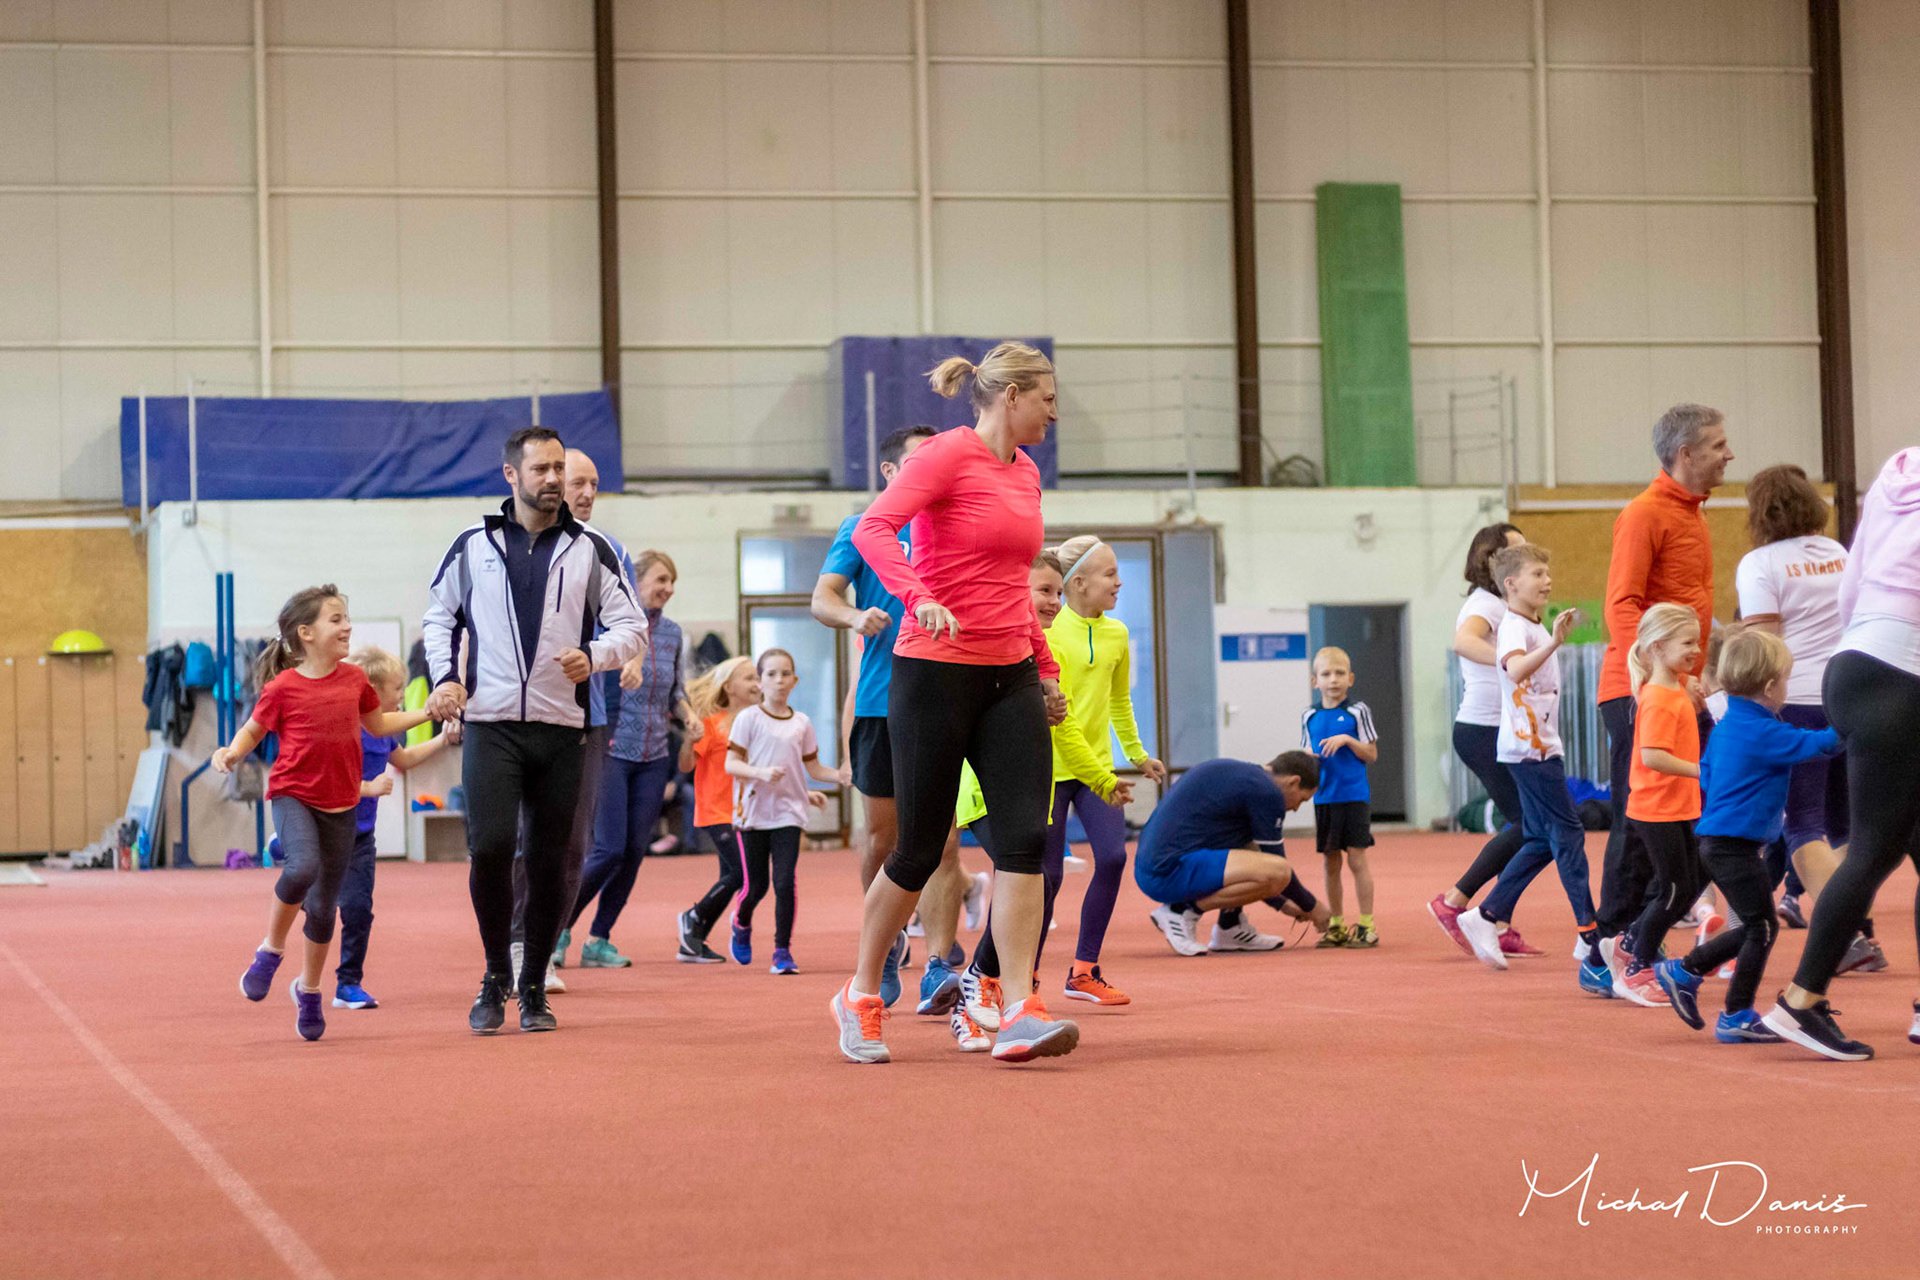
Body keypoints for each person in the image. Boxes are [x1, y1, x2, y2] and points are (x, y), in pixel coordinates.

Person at [831, 342, 1072, 1066]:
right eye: (1048, 398)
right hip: (933, 673)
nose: (1054, 412)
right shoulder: (943, 455)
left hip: (1010, 676)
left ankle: (1019, 1007)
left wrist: (1045, 667)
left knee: (1025, 843)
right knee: (916, 849)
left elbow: (1012, 582)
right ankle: (861, 993)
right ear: (1012, 396)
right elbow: (873, 529)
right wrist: (917, 596)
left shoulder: (1026, 472)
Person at [423, 427, 647, 1035]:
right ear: (511, 475)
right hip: (491, 724)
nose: (552, 479)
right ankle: (495, 973)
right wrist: (446, 678)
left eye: (558, 468)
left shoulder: (592, 548)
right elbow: (438, 615)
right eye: (541, 469)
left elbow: (632, 626)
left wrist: (595, 655)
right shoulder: (472, 544)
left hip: (561, 727)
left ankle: (533, 986)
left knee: (551, 861)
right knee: (492, 847)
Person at [1764, 447, 1920, 1061]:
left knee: (1891, 846)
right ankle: (1799, 1001)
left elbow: (1853, 578)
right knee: (1875, 849)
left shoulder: (1901, 469)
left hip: (1854, 661)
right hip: (1902, 676)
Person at [813, 424, 976, 1009]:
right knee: (885, 839)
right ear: (889, 472)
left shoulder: (958, 522)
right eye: (919, 459)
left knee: (944, 842)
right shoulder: (862, 528)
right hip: (881, 703)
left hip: (945, 696)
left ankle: (938, 964)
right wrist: (855, 618)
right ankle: (882, 952)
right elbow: (823, 599)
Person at [223, 587, 432, 1041]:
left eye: (347, 618)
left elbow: (379, 725)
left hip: (342, 806)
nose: (347, 626)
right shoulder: (283, 687)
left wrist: (425, 712)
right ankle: (270, 950)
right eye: (336, 619)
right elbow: (254, 729)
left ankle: (310, 991)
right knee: (302, 866)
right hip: (293, 796)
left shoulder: (354, 680)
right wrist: (233, 752)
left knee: (322, 911)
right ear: (306, 632)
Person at [959, 551, 1135, 1035]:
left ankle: (994, 985)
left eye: (1057, 592)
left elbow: (1068, 726)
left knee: (1038, 878)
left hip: (1026, 783)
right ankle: (967, 978)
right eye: (1044, 591)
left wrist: (1105, 777)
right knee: (1024, 877)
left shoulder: (1044, 654)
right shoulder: (990, 644)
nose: (1054, 601)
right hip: (982, 788)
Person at [1654, 629, 1840, 1042]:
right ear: (1771, 687)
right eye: (1786, 680)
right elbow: (1822, 744)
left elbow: (1706, 773)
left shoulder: (1728, 726)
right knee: (1763, 927)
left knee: (1760, 926)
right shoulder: (1765, 732)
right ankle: (1728, 1008)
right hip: (1733, 847)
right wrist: (1855, 721)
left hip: (1720, 843)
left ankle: (1689, 974)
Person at [1734, 465, 1882, 972]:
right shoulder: (1838, 553)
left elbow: (1765, 646)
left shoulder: (1760, 563)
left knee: (1801, 824)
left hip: (1795, 697)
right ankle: (1860, 931)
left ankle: (1849, 937)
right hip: (1847, 692)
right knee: (1842, 823)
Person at [1595, 404, 1731, 946]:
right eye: (1719, 445)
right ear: (1686, 454)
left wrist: (1700, 676)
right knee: (1638, 824)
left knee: (1703, 809)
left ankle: (1641, 938)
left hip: (1680, 691)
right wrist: (1657, 681)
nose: (1729, 454)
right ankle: (1610, 945)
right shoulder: (1644, 514)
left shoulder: (1694, 514)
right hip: (1640, 691)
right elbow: (1620, 605)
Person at [508, 447, 634, 995]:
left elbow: (628, 626)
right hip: (514, 716)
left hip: (586, 717)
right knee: (518, 839)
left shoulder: (608, 550)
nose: (584, 492)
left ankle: (543, 949)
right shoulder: (510, 544)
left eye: (592, 483)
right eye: (575, 480)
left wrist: (613, 656)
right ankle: (515, 944)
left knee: (572, 847)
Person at [1454, 544, 1606, 992]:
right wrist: (1556, 642)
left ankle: (1486, 914)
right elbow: (1515, 670)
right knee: (1569, 833)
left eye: (1548, 572)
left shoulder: (1532, 624)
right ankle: (1589, 934)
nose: (1547, 580)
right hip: (1529, 748)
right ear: (1511, 584)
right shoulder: (1513, 627)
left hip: (1539, 744)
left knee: (1540, 838)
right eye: (1537, 573)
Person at [1043, 535, 1166, 1004]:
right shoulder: (1048, 633)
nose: (1119, 582)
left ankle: (1083, 970)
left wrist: (1136, 754)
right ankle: (1022, 976)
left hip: (1097, 769)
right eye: (1110, 574)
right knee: (1047, 877)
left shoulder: (1116, 634)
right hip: (1052, 769)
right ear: (1077, 583)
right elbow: (1059, 718)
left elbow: (1119, 701)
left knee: (1113, 857)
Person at [559, 550, 685, 969]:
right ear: (637, 581)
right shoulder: (610, 628)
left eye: (672, 582)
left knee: (633, 852)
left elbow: (676, 692)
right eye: (661, 579)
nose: (668, 588)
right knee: (608, 848)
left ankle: (599, 939)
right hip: (611, 748)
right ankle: (557, 928)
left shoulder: (673, 634)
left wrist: (690, 716)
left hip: (655, 755)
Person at [1429, 523, 1539, 958]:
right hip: (1482, 729)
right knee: (1532, 824)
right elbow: (1463, 641)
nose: (1527, 555)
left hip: (1501, 728)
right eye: (1517, 549)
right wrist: (1509, 662)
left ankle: (1495, 917)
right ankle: (1457, 903)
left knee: (1533, 826)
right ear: (1492, 561)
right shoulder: (1485, 604)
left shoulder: (1504, 605)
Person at [334, 645, 453, 1010]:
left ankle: (348, 983)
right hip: (327, 828)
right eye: (397, 688)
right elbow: (326, 780)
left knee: (358, 908)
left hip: (360, 836)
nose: (403, 695)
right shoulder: (342, 727)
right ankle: (287, 849)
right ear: (372, 691)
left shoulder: (384, 730)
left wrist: (442, 739)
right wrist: (367, 788)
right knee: (317, 907)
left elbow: (404, 760)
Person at [1131, 752, 1330, 952]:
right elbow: (1277, 867)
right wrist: (1313, 907)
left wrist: (1283, 903)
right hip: (1167, 873)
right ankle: (1179, 911)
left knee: (1253, 854)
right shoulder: (1268, 792)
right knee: (1278, 870)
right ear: (1294, 782)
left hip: (1154, 867)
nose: (1295, 808)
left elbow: (1256, 863)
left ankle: (1230, 926)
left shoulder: (1244, 777)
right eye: (1302, 799)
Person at [1612, 604, 1705, 1007]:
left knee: (1689, 883)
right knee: (1674, 890)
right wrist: (1700, 771)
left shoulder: (1675, 689)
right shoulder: (1657, 699)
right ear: (1657, 647)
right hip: (1657, 808)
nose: (1696, 650)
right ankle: (1638, 967)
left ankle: (1630, 942)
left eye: (1697, 642)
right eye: (1687, 643)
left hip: (1678, 805)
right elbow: (1652, 755)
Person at [725, 649, 840, 974]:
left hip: (789, 813)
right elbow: (731, 764)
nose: (779, 680)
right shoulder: (748, 719)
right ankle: (741, 921)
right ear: (759, 681)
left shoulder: (801, 722)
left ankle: (782, 951)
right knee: (756, 887)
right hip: (753, 813)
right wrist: (760, 773)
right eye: (771, 674)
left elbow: (813, 768)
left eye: (785, 673)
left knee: (785, 881)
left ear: (795, 681)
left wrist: (843, 776)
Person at [675, 655, 761, 963]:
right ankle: (693, 916)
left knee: (731, 876)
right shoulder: (712, 725)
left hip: (745, 813)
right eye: (749, 678)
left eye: (758, 678)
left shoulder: (756, 724)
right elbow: (686, 765)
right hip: (717, 811)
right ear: (729, 687)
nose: (757, 684)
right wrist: (689, 740)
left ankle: (694, 938)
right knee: (741, 874)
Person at [1302, 646, 1380, 948]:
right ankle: (1336, 925)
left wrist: (1348, 740)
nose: (1333, 679)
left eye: (1339, 673)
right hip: (1324, 799)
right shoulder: (1309, 715)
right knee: (1330, 862)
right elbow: (1307, 753)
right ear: (1315, 681)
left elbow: (1371, 753)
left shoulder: (1357, 712)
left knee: (1357, 860)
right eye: (1326, 674)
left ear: (1350, 678)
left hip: (1354, 796)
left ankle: (1367, 925)